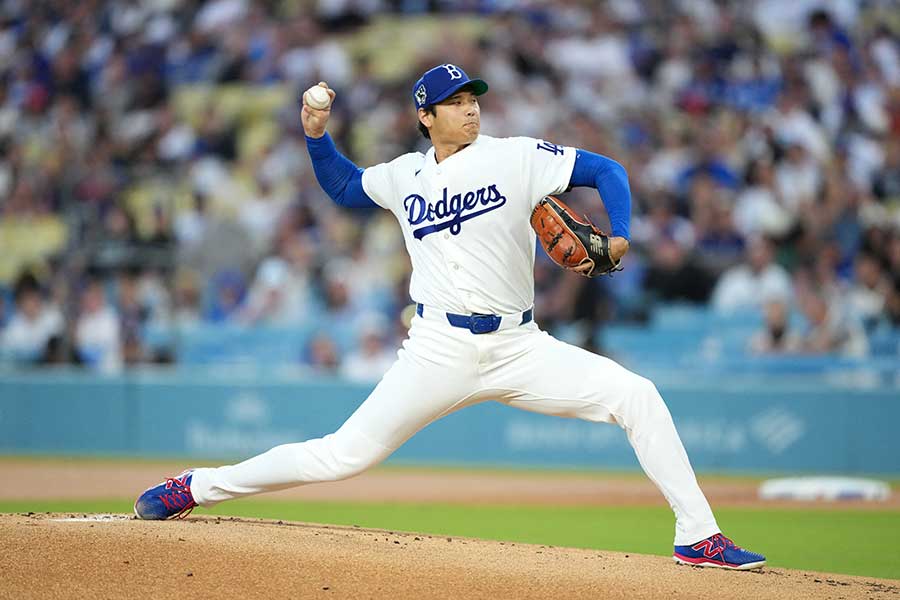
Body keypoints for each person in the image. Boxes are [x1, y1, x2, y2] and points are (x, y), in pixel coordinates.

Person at [135, 64, 765, 570]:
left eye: (473, 97)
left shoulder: (515, 155)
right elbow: (347, 190)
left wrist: (621, 233)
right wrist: (315, 135)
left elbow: (606, 170)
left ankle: (697, 536)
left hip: (521, 345)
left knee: (638, 396)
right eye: (456, 101)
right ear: (426, 116)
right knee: (341, 455)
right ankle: (196, 487)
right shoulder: (403, 174)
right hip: (437, 348)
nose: (471, 107)